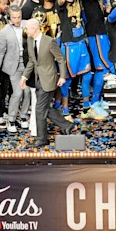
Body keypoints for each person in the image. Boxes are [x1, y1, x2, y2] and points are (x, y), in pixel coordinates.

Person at [21, 17, 75, 148]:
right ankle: (66, 125)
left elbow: (60, 59)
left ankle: (41, 138)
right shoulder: (29, 40)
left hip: (49, 79)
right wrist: (24, 77)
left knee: (39, 109)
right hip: (37, 79)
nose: (25, 30)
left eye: (27, 28)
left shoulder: (50, 41)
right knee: (45, 108)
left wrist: (62, 76)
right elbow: (32, 62)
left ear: (34, 29)